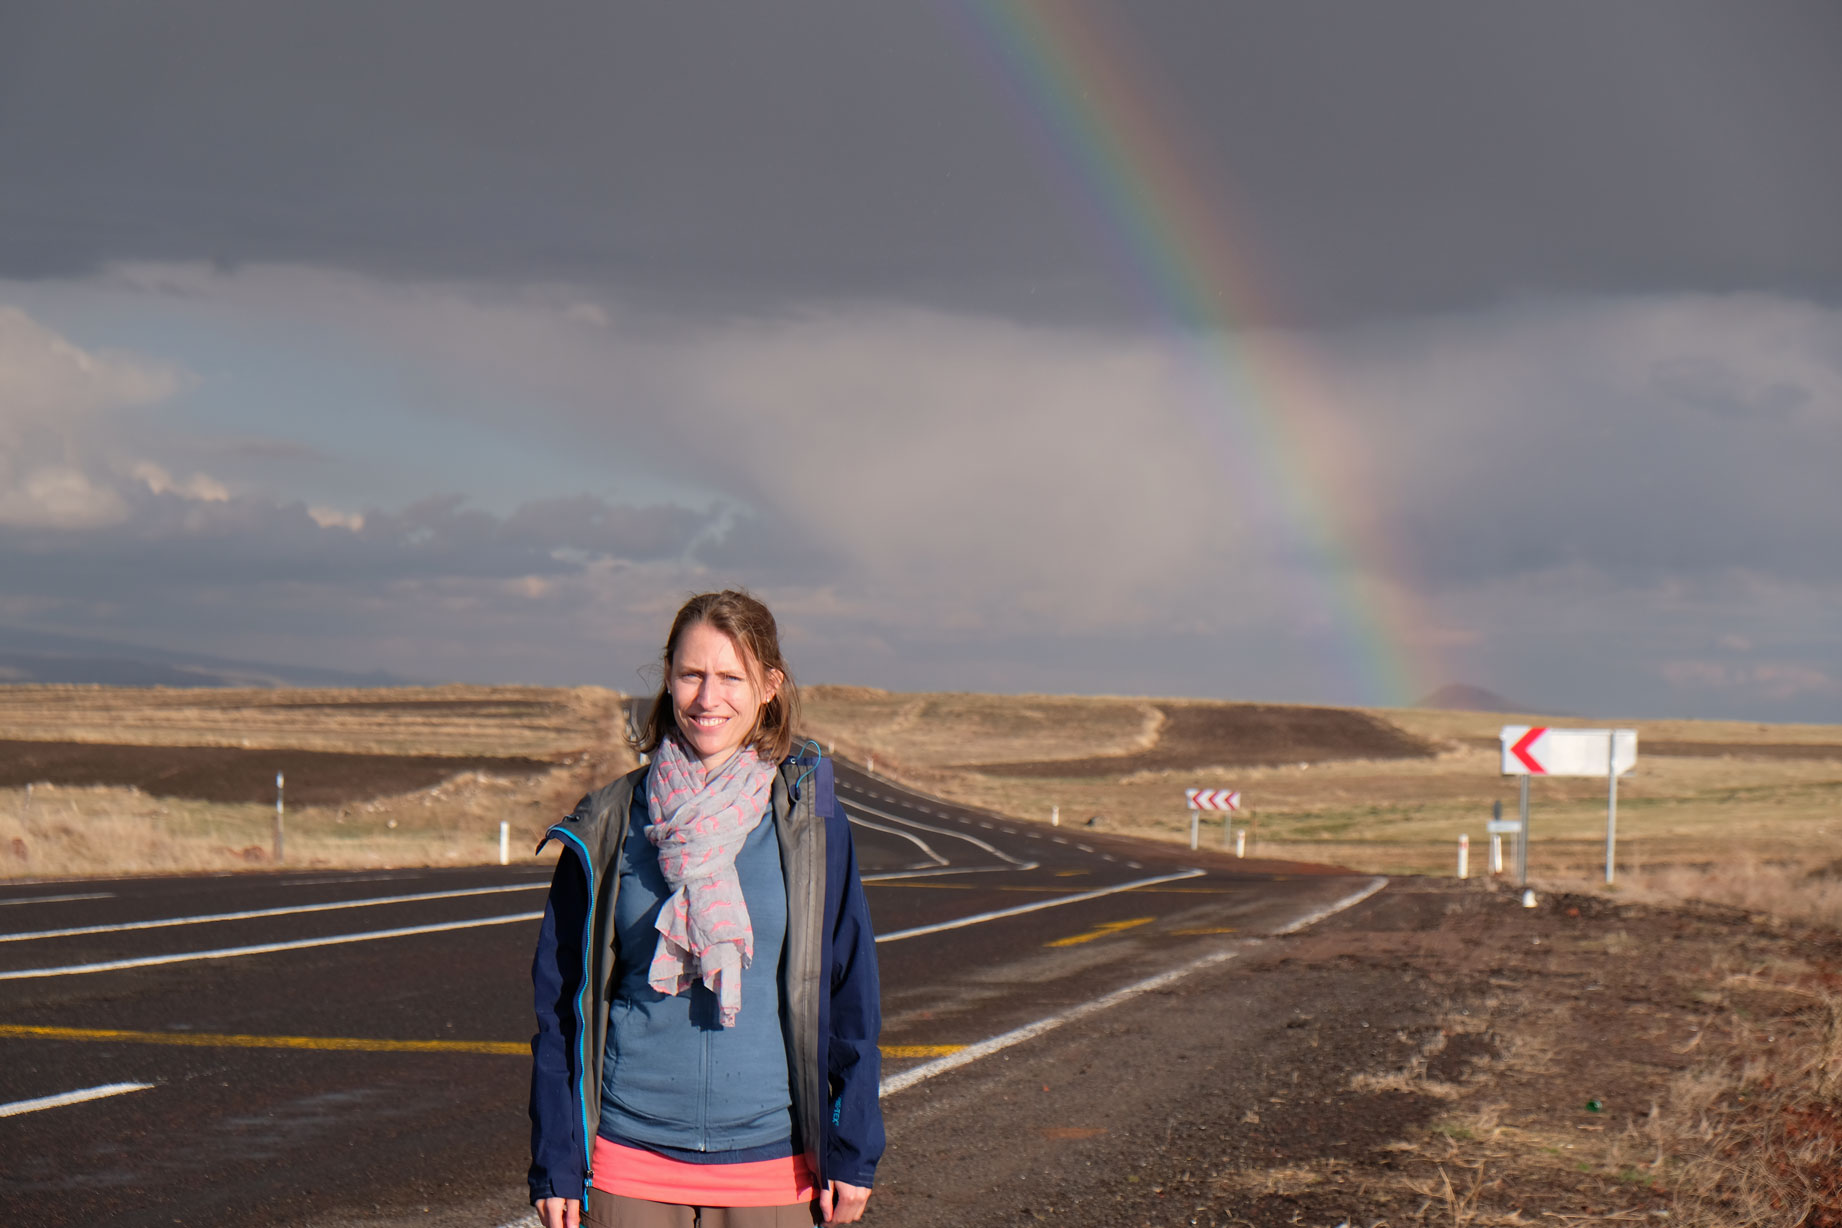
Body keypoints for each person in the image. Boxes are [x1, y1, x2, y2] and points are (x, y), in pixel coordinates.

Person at [528, 590, 883, 1228]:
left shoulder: (812, 824)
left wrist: (852, 1147)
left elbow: (849, 993)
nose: (707, 698)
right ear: (668, 678)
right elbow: (562, 1008)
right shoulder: (610, 821)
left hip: (775, 1169)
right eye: (692, 674)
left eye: (731, 677)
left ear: (769, 685)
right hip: (627, 1163)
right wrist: (558, 1158)